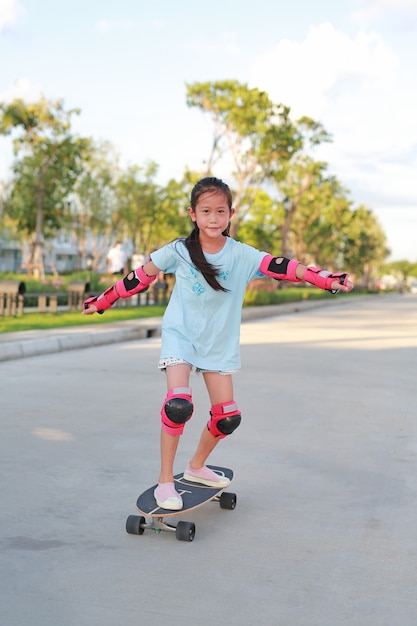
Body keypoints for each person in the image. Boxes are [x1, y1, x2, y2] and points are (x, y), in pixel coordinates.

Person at [83, 177, 354, 510]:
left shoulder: (241, 255)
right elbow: (140, 276)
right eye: (206, 211)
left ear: (231, 214)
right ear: (193, 214)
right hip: (181, 336)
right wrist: (104, 301)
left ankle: (196, 467)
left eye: (220, 211)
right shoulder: (178, 251)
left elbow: (284, 267)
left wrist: (327, 279)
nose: (213, 218)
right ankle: (165, 482)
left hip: (217, 343)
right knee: (178, 404)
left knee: (227, 417)